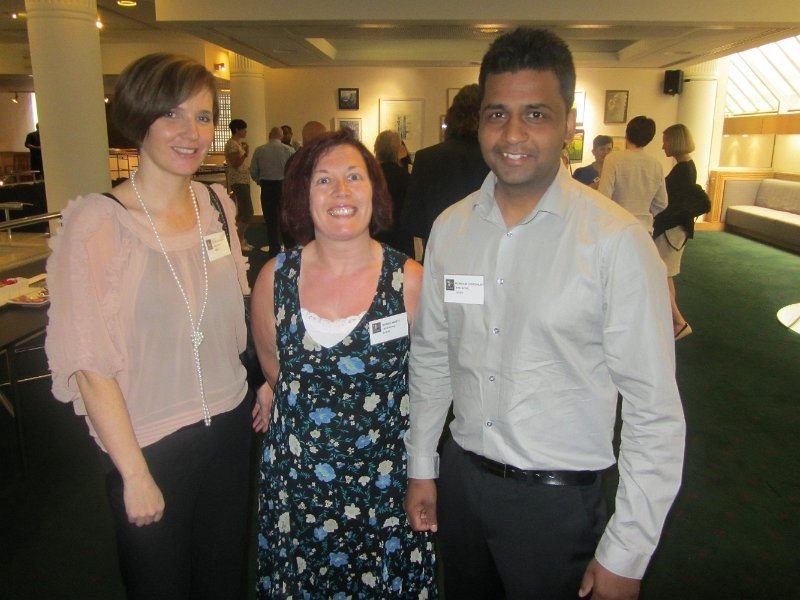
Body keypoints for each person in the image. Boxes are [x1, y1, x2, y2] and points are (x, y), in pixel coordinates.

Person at [403, 28, 685, 600]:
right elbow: (432, 357)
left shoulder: (615, 242)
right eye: (497, 114)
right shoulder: (451, 228)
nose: (512, 134)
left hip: (558, 508)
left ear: (567, 125)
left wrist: (628, 550)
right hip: (462, 486)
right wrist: (422, 464)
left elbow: (654, 411)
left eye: (535, 114)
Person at [45, 53, 253, 600]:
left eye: (203, 117)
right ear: (139, 119)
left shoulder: (217, 205)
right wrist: (134, 474)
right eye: (171, 114)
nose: (191, 133)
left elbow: (235, 309)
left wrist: (263, 379)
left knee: (224, 579)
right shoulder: (100, 224)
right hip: (150, 444)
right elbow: (89, 362)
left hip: (231, 427)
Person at [250, 130, 436, 598]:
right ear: (303, 195)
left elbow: (432, 383)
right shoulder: (274, 278)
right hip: (298, 486)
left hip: (385, 487)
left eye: (354, 177)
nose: (341, 192)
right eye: (324, 180)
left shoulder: (410, 281)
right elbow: (274, 368)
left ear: (374, 190)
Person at [402, 83, 490, 251]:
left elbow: (413, 223)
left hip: (440, 250)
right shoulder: (496, 160)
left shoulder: (426, 158)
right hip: (485, 251)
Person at [654, 123, 698, 340]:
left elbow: (670, 206)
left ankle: (679, 322)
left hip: (671, 231)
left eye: (665, 141)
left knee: (659, 276)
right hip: (676, 230)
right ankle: (671, 321)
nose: (663, 146)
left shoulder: (682, 171)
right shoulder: (687, 167)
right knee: (666, 276)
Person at [598, 115, 668, 233]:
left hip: (617, 226)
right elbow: (662, 203)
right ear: (649, 139)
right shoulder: (656, 164)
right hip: (644, 229)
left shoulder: (613, 159)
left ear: (627, 134)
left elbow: (603, 196)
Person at [250, 126, 294, 257]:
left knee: (270, 220)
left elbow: (253, 171)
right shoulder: (288, 150)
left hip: (267, 186)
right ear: (281, 136)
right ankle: (289, 248)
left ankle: (274, 250)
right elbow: (294, 170)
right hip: (283, 186)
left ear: (269, 135)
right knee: (285, 218)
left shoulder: (260, 150)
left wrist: (259, 181)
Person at [374, 129, 414, 257]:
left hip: (375, 238)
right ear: (397, 151)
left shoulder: (370, 177)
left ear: (376, 150)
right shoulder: (407, 178)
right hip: (401, 241)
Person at [225, 118, 254, 251]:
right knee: (247, 211)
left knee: (242, 211)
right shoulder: (232, 144)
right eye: (243, 129)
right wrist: (245, 154)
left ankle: (238, 240)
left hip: (242, 180)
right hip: (238, 180)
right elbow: (236, 164)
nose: (246, 131)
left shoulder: (237, 143)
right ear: (237, 130)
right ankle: (238, 240)